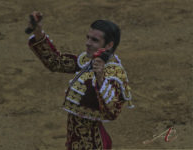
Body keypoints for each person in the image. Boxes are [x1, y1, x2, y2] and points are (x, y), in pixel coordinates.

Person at [27, 11, 133, 150]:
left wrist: (100, 78)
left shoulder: (114, 74)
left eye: (94, 40)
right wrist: (38, 31)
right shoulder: (88, 62)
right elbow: (56, 62)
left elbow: (113, 112)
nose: (87, 43)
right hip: (78, 142)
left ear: (108, 45)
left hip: (94, 145)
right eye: (88, 38)